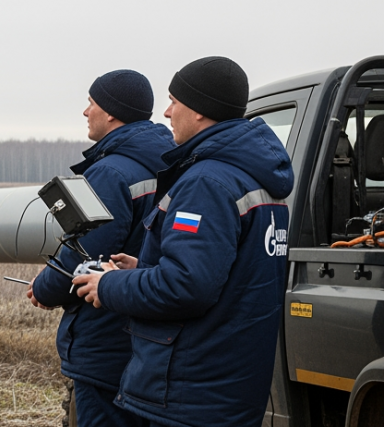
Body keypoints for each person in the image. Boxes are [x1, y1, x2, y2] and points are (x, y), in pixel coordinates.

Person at [73, 57, 292, 427]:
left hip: (192, 392)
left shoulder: (207, 183)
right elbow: (228, 277)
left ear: (200, 110)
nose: (166, 112)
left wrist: (108, 284)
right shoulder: (257, 177)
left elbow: (185, 287)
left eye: (174, 101)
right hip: (232, 385)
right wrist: (142, 269)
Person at [28, 69, 175, 427]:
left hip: (106, 338)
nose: (85, 111)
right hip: (154, 338)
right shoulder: (172, 163)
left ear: (111, 112)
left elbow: (85, 253)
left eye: (91, 103)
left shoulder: (110, 173)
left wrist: (44, 288)